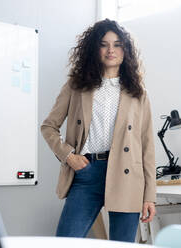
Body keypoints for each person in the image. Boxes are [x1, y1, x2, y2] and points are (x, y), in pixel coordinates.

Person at [41, 19, 156, 242]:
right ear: (95, 49)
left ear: (126, 49)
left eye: (117, 44)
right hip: (87, 173)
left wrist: (149, 195)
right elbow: (48, 126)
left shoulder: (137, 92)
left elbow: (147, 146)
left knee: (121, 246)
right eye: (104, 44)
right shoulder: (76, 86)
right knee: (65, 242)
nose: (111, 50)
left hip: (127, 176)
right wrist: (68, 156)